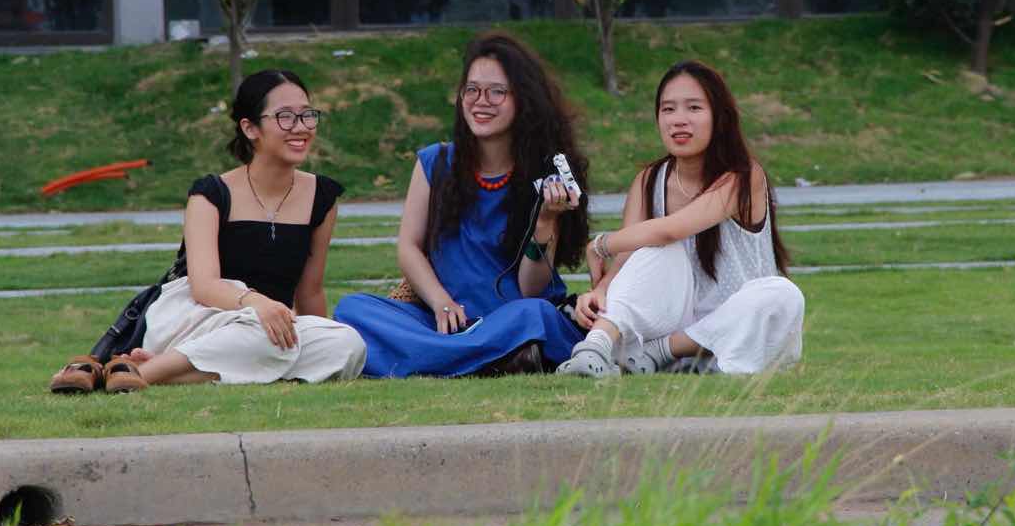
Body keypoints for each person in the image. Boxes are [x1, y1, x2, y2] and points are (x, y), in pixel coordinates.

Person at [48, 69, 366, 393]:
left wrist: (312, 331)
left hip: (264, 329)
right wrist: (258, 304)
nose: (300, 128)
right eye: (285, 117)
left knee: (347, 343)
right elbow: (204, 286)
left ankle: (137, 369)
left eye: (307, 116)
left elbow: (310, 292)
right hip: (197, 315)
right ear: (250, 127)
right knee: (262, 332)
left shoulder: (321, 197)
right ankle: (151, 372)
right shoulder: (211, 193)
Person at [334, 33, 589, 377]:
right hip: (445, 320)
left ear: (523, 100)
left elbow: (532, 290)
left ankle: (438, 359)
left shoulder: (546, 172)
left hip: (510, 319)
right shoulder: (434, 162)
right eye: (472, 90)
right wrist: (440, 302)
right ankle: (482, 358)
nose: (481, 101)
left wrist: (544, 221)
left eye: (497, 91)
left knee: (536, 315)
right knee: (353, 309)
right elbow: (409, 247)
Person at [556, 60, 804, 378]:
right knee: (659, 249)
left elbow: (672, 228)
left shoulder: (744, 175)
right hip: (671, 316)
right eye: (668, 109)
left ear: (719, 117)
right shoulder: (649, 181)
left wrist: (600, 244)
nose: (679, 120)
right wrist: (600, 292)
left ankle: (660, 353)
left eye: (694, 108)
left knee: (783, 296)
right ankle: (594, 350)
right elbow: (627, 261)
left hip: (741, 329)